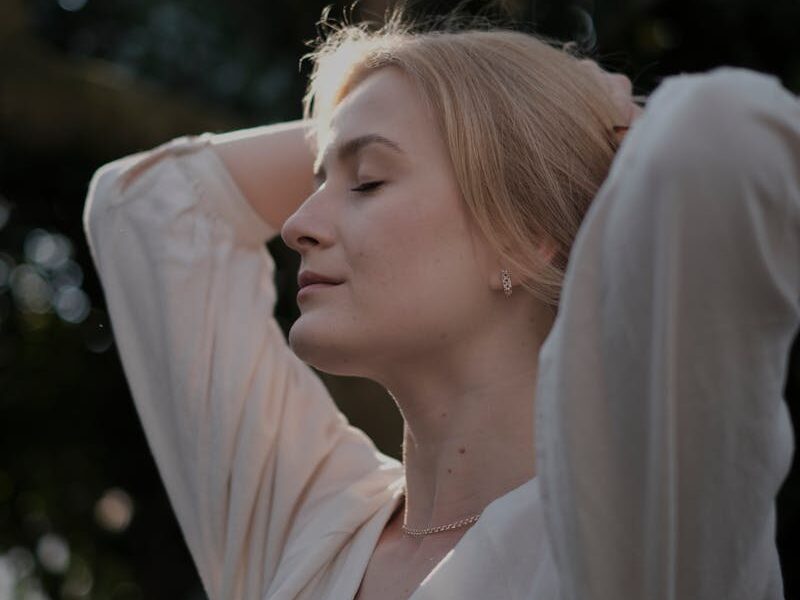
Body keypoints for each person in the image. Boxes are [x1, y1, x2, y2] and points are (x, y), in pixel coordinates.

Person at [82, 11, 800, 600]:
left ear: (523, 239)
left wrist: (565, 117)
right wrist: (372, 122)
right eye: (317, 179)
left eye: (366, 182)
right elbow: (146, 206)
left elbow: (721, 138)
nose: (297, 222)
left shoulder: (635, 533)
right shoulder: (310, 533)